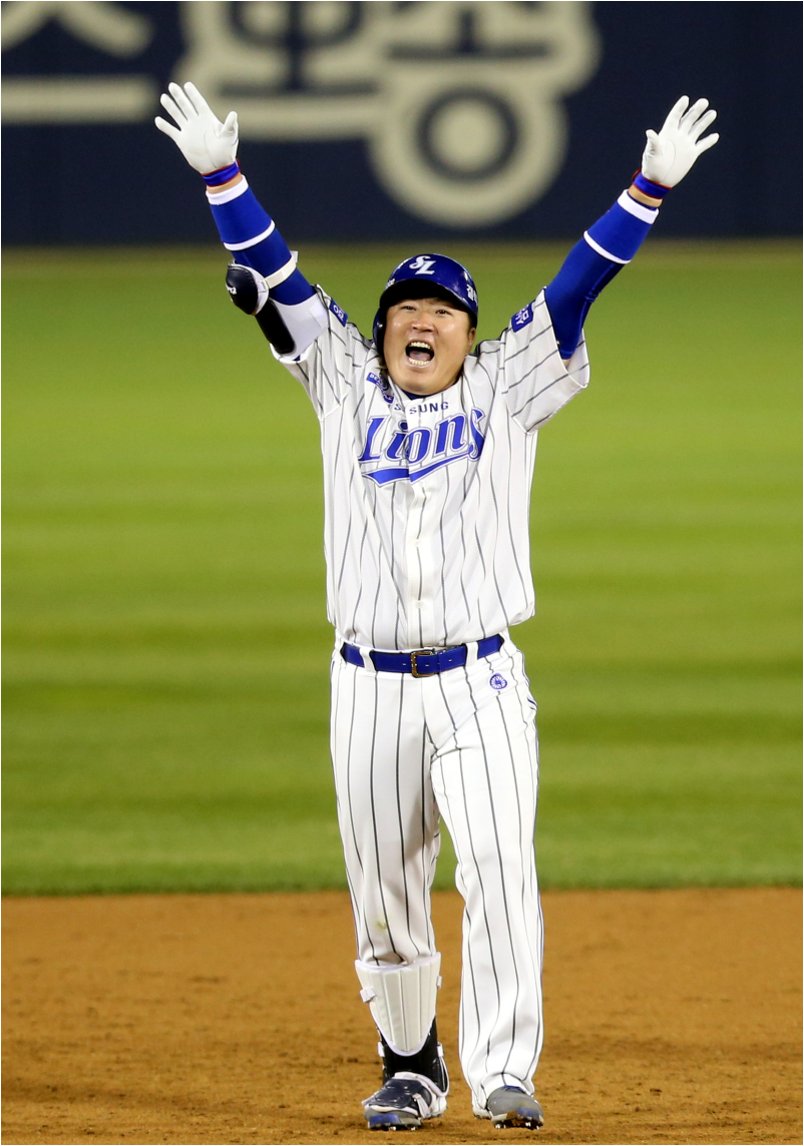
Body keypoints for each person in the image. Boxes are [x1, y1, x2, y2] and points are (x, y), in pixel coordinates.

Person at [156, 83, 718, 1132]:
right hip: (366, 685)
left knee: (499, 863)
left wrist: (646, 189)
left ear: (470, 335)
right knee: (384, 890)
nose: (423, 321)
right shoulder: (341, 382)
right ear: (379, 335)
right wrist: (222, 179)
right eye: (406, 311)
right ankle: (411, 1064)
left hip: (480, 682)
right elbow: (279, 276)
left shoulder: (508, 386)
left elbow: (578, 284)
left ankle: (504, 1068)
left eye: (445, 312)